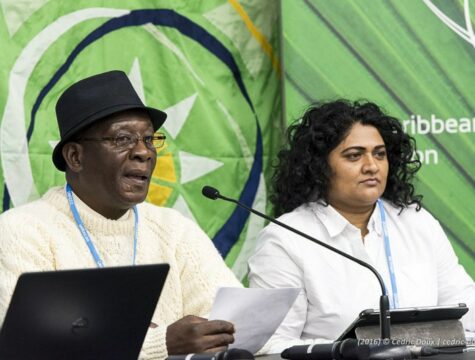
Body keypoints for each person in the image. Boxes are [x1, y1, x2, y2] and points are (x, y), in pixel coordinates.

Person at [0, 70, 242, 359]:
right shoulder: (21, 231)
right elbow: (27, 347)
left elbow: (236, 320)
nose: (144, 152)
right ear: (75, 157)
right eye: (123, 139)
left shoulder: (174, 229)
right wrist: (159, 343)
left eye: (150, 139)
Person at [248, 99, 475, 353]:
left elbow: (467, 308)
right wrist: (353, 351)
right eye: (354, 156)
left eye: (379, 154)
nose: (371, 166)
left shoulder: (416, 222)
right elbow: (270, 344)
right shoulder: (285, 240)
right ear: (319, 166)